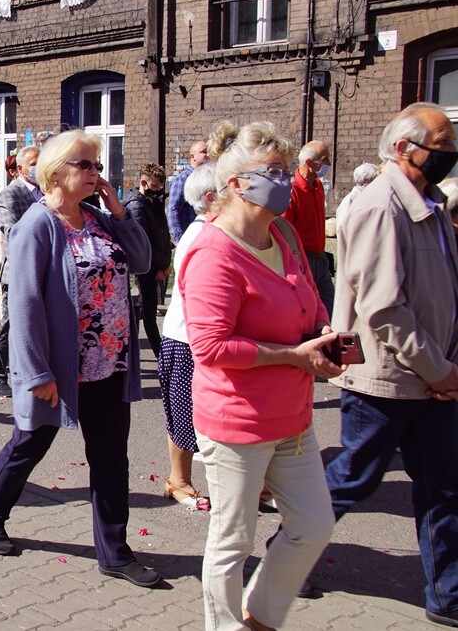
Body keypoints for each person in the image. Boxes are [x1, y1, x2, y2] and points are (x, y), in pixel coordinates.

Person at [179, 120, 342, 631]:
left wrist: (324, 328)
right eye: (271, 171)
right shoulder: (213, 252)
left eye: (285, 168)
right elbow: (209, 346)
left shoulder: (284, 231)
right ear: (235, 184)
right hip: (236, 422)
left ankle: (261, 617)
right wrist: (295, 355)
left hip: (291, 418)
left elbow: (309, 294)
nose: (283, 178)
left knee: (314, 525)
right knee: (233, 539)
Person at [0, 130, 159, 587]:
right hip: (60, 368)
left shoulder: (98, 219)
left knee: (111, 459)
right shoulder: (36, 226)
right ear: (55, 172)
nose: (97, 173)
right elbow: (25, 304)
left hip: (109, 365)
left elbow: (140, 260)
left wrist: (119, 210)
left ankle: (115, 552)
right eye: (87, 165)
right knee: (29, 445)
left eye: (98, 165)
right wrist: (37, 371)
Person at [323, 102, 458, 628]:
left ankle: (447, 593)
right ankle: (287, 553)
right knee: (354, 478)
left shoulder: (432, 202)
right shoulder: (381, 205)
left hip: (434, 377)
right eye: (440, 145)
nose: (448, 154)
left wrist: (447, 368)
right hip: (388, 378)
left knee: (445, 486)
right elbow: (382, 307)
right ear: (402, 148)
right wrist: (438, 369)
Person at [157, 163, 214, 509]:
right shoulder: (199, 232)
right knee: (184, 413)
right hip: (187, 339)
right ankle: (178, 479)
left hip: (201, 338)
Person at [0, 145, 42, 397]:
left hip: (45, 271)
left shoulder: (48, 191)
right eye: (33, 162)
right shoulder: (10, 195)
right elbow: (12, 232)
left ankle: (32, 372)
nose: (38, 166)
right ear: (20, 168)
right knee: (11, 325)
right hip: (20, 272)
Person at [123, 163, 172, 358]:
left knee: (146, 309)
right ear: (144, 183)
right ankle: (159, 356)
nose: (158, 190)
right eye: (154, 186)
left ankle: (142, 353)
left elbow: (162, 231)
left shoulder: (152, 203)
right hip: (146, 267)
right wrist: (162, 264)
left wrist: (165, 263)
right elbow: (142, 243)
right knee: (148, 313)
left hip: (156, 264)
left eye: (161, 186)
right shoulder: (137, 206)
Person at [283, 140, 334, 316]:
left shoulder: (318, 186)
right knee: (308, 311)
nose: (328, 163)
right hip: (304, 259)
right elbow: (285, 230)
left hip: (321, 258)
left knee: (328, 307)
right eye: (324, 159)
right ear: (309, 163)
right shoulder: (292, 190)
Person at [167, 140, 209, 244]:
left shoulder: (208, 178)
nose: (207, 154)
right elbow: (173, 210)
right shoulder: (181, 180)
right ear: (192, 156)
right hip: (188, 236)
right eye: (203, 152)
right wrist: (179, 240)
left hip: (204, 236)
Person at [334, 162, 378, 235]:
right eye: (374, 180)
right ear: (365, 180)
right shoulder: (349, 200)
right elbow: (342, 229)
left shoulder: (369, 198)